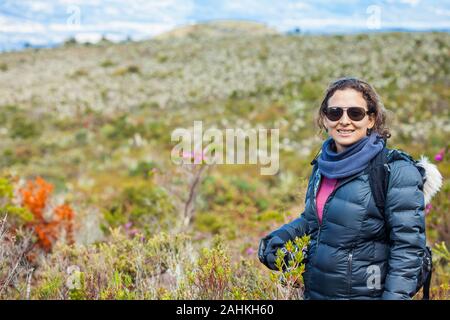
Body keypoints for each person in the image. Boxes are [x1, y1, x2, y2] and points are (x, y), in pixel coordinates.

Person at [258, 77, 442, 300]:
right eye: (335, 112)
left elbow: (407, 250)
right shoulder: (322, 166)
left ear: (371, 119)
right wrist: (275, 241)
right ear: (325, 119)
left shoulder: (394, 171)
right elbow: (313, 222)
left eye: (355, 113)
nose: (344, 121)